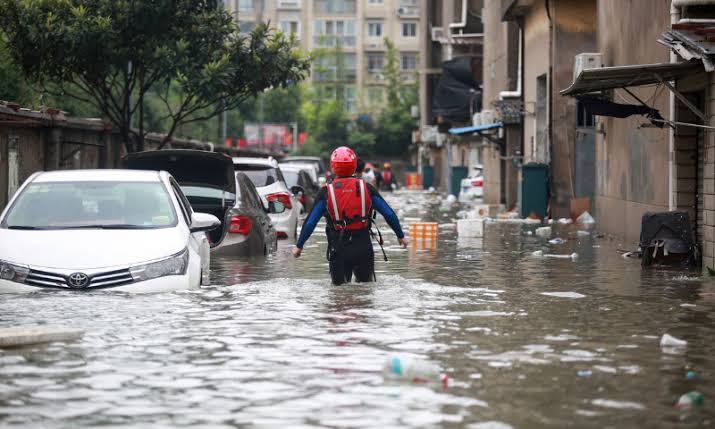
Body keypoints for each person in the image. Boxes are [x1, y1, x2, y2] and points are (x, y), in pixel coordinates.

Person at [291, 147, 408, 285]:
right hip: (363, 247)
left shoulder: (326, 192)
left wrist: (299, 246)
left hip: (339, 249)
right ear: (354, 165)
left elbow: (311, 222)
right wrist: (400, 236)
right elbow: (388, 213)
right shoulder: (367, 188)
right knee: (365, 293)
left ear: (333, 166)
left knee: (339, 296)